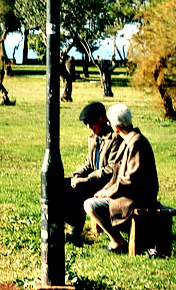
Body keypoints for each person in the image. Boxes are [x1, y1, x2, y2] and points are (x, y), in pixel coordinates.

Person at [83, 103, 159, 253]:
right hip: (129, 194)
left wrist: (109, 192)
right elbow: (117, 174)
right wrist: (104, 190)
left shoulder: (136, 143)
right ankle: (118, 239)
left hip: (137, 197)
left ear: (116, 127)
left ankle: (117, 242)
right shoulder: (128, 140)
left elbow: (130, 179)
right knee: (94, 199)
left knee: (90, 205)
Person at [64, 102, 122, 247]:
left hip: (108, 182)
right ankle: (61, 225)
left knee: (80, 189)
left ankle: (76, 232)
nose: (89, 127)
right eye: (86, 124)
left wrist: (87, 179)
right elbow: (89, 163)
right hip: (94, 179)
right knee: (63, 184)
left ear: (103, 118)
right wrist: (77, 175)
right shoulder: (93, 137)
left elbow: (111, 168)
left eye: (92, 123)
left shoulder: (114, 138)